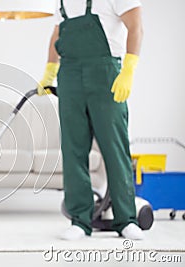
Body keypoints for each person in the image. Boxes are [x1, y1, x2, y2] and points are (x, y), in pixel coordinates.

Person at [38, 0, 144, 240]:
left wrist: (128, 69)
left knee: (114, 148)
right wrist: (49, 71)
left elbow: (136, 25)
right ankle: (80, 221)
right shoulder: (62, 2)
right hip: (70, 75)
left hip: (106, 74)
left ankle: (126, 219)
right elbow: (56, 34)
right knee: (73, 148)